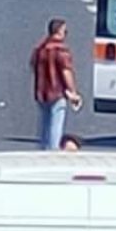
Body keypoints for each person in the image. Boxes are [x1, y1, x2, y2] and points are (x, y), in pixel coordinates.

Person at [30, 18, 82, 151]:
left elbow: (33, 65)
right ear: (59, 31)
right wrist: (73, 92)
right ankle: (53, 152)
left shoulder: (40, 49)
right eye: (65, 31)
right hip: (58, 93)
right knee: (56, 125)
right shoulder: (61, 50)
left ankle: (43, 150)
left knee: (44, 124)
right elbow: (66, 71)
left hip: (42, 92)